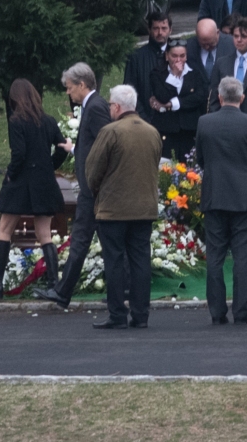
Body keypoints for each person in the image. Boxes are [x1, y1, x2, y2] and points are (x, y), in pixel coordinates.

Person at [34, 63, 112, 308]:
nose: (68, 93)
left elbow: (104, 145)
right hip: (94, 188)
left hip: (94, 189)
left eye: (69, 88)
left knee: (83, 239)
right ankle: (119, 290)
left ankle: (64, 291)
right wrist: (75, 149)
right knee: (104, 242)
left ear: (82, 84)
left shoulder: (96, 107)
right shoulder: (92, 105)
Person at [0, 79, 69, 299]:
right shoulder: (48, 121)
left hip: (21, 182)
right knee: (45, 234)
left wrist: (11, 173)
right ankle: (54, 284)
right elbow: (62, 149)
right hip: (44, 182)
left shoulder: (16, 121)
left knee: (4, 230)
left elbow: (19, 153)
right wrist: (49, 165)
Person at [85, 85, 162, 329]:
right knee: (141, 261)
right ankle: (141, 315)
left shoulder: (110, 131)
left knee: (115, 261)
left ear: (116, 107)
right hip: (144, 208)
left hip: (114, 209)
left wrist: (98, 192)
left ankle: (117, 314)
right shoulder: (152, 132)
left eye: (110, 105)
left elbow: (93, 170)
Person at [196, 77, 247, 325]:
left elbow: (201, 158)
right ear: (242, 98)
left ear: (220, 97)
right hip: (244, 195)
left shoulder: (205, 122)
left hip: (215, 195)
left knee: (214, 256)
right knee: (243, 256)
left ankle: (217, 311)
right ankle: (241, 310)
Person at [150, 39, 208, 159]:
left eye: (182, 56)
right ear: (167, 56)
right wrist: (174, 76)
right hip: (167, 129)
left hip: (189, 129)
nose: (178, 60)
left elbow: (199, 97)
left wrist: (172, 104)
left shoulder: (195, 73)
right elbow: (162, 96)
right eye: (174, 56)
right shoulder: (157, 74)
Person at [124, 11, 172, 123]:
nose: (160, 32)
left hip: (173, 122)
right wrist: (144, 119)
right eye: (156, 28)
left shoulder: (179, 55)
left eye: (164, 28)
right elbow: (130, 91)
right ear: (149, 30)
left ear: (170, 30)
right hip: (144, 121)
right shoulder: (136, 57)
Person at [186, 18, 235, 85]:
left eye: (211, 44)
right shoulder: (188, 47)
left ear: (217, 33)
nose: (207, 47)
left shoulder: (232, 44)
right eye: (203, 44)